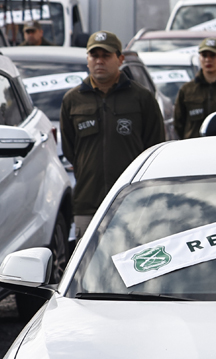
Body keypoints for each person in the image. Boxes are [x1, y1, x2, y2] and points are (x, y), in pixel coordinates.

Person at [60, 31, 165, 239]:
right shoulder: (72, 100)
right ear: (88, 60)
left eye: (106, 55)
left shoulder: (141, 98)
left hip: (132, 200)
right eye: (94, 55)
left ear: (120, 59)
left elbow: (155, 148)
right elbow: (71, 150)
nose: (99, 61)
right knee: (88, 266)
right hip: (88, 203)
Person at [173, 37, 216, 140]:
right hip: (193, 147)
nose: (208, 59)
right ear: (199, 58)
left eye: (213, 55)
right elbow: (179, 124)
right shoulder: (187, 90)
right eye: (204, 55)